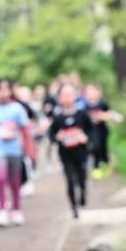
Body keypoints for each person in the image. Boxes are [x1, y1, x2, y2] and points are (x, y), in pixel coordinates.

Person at [0, 78, 31, 227]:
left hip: (15, 150)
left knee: (15, 181)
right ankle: (3, 210)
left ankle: (17, 210)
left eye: (6, 89)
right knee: (1, 178)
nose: (3, 92)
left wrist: (29, 150)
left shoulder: (17, 108)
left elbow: (25, 129)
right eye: (0, 89)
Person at [47, 83, 93, 218]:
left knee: (82, 178)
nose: (67, 97)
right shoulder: (57, 117)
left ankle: (83, 194)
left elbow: (91, 131)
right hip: (66, 154)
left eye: (70, 94)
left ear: (75, 96)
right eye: (64, 95)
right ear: (59, 98)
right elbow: (51, 134)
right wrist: (57, 137)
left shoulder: (82, 114)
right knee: (70, 179)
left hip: (81, 153)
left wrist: (86, 138)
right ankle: (74, 207)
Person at [83, 83, 124, 171]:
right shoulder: (84, 106)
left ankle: (105, 163)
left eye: (93, 91)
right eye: (89, 91)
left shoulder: (102, 104)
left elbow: (110, 113)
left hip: (102, 130)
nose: (91, 93)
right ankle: (96, 166)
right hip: (91, 131)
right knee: (94, 147)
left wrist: (116, 117)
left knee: (103, 147)